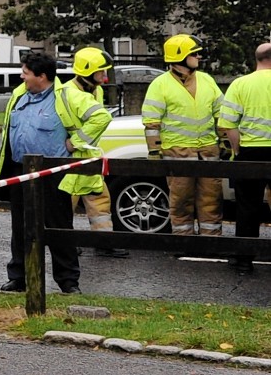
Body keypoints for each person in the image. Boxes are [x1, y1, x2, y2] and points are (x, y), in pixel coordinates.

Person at [0, 52, 109, 295]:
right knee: (21, 227)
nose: (21, 76)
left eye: (25, 73)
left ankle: (68, 281)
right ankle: (19, 277)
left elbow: (101, 117)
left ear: (41, 76)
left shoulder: (67, 95)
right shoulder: (19, 93)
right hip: (20, 169)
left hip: (52, 171)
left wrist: (75, 142)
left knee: (59, 227)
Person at [144, 34, 224, 238]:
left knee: (212, 200)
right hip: (177, 153)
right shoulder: (160, 85)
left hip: (207, 151)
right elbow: (152, 123)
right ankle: (183, 241)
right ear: (180, 57)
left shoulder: (207, 80)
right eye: (194, 53)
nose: (198, 56)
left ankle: (212, 240)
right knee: (180, 202)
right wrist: (154, 152)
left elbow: (222, 115)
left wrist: (224, 143)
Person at [218, 41, 271, 273]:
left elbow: (228, 124)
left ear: (257, 59)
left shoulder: (240, 84)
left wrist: (238, 150)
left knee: (247, 205)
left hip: (251, 151)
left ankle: (244, 258)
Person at [69, 48, 128, 257]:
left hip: (89, 156)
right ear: (87, 72)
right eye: (100, 72)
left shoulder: (96, 90)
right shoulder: (68, 93)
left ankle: (103, 241)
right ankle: (65, 243)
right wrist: (75, 143)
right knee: (67, 203)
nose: (105, 77)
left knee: (100, 199)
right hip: (69, 159)